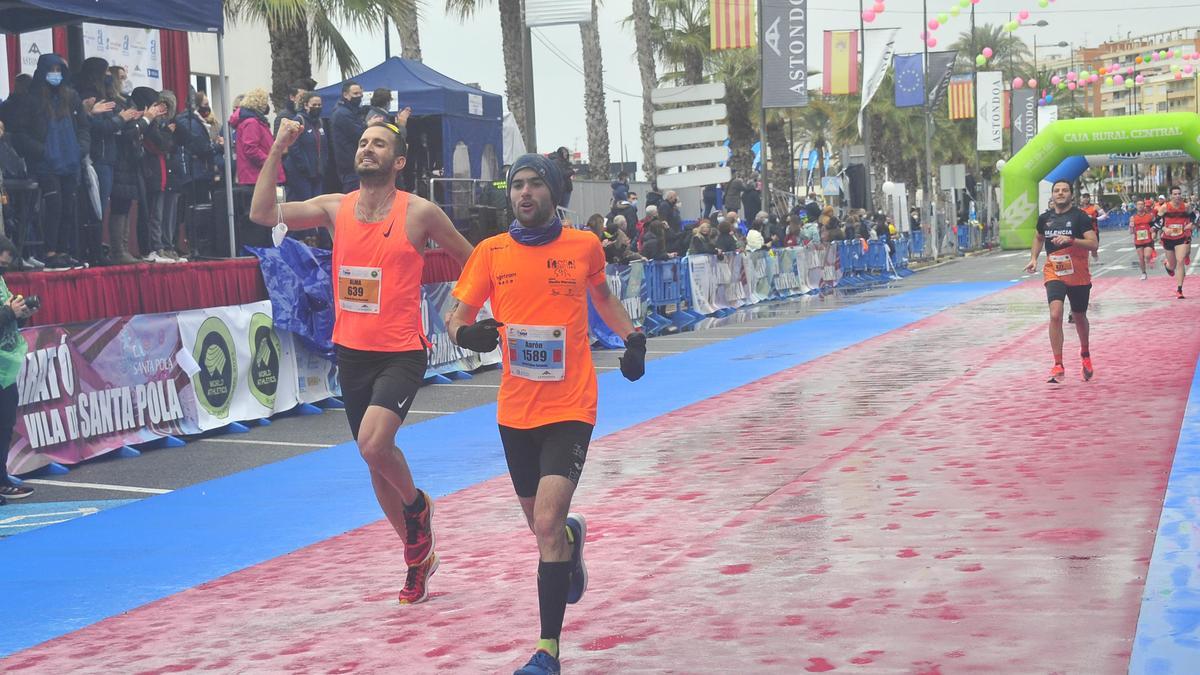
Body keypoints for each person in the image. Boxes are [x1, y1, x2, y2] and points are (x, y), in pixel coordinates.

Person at [249, 117, 474, 604]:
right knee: (376, 466)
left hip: (401, 351)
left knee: (374, 445)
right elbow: (263, 212)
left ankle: (417, 509)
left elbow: (470, 259)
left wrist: (461, 312)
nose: (368, 149)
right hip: (352, 352)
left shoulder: (420, 213)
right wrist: (277, 151)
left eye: (379, 144)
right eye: (363, 142)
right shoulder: (336, 208)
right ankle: (418, 559)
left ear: (398, 162)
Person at [446, 153, 645, 675]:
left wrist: (633, 337)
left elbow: (603, 297)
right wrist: (466, 333)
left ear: (554, 194)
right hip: (515, 410)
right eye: (517, 185)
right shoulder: (490, 252)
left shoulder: (582, 246)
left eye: (536, 184)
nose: (525, 193)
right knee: (545, 531)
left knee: (546, 522)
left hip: (571, 403)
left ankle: (547, 650)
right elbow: (456, 317)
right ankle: (571, 543)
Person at [2, 53, 90, 270]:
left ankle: (63, 250)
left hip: (70, 162)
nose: (56, 75)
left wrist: (79, 150)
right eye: (52, 70)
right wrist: (43, 152)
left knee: (69, 207)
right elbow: (20, 134)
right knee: (54, 206)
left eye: (59, 71)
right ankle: (50, 252)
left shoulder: (71, 97)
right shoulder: (31, 100)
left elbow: (84, 128)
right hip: (45, 164)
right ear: (43, 72)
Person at [1024, 179, 1098, 383]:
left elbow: (1093, 244)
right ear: (1052, 195)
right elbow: (1039, 237)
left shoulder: (1080, 217)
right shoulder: (1044, 218)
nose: (1060, 193)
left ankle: (1085, 353)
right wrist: (1033, 258)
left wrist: (1071, 240)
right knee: (1055, 314)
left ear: (1071, 194)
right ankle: (1058, 364)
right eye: (1057, 190)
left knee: (1079, 315)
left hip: (1078, 272)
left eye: (1065, 190)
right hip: (1054, 271)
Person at [0, 235, 35, 504]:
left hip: (5, 367)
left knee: (4, 426)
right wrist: (8, 312)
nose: (4, 270)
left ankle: (1, 479)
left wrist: (21, 313)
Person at [1157, 186, 1200, 299]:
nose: (1177, 196)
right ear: (1170, 195)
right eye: (1175, 194)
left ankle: (1179, 289)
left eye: (1179, 194)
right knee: (1172, 265)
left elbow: (1195, 217)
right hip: (1168, 238)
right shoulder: (1165, 207)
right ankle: (1167, 265)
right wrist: (1164, 229)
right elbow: (1156, 222)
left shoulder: (1185, 207)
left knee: (1180, 261)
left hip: (1181, 237)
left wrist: (1192, 224)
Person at [331, 81, 367, 192]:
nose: (359, 97)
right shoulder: (342, 113)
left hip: (355, 163)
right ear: (346, 95)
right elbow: (359, 135)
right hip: (349, 164)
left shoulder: (353, 111)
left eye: (360, 94)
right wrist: (368, 125)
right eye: (355, 94)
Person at [1130, 199, 1156, 280]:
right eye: (1138, 204)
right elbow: (1131, 231)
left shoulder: (1149, 216)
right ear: (1136, 206)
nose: (1140, 206)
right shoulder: (1133, 218)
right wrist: (1131, 227)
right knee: (1141, 257)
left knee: (1147, 256)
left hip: (1148, 239)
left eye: (1142, 204)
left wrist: (1153, 231)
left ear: (1144, 206)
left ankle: (1149, 259)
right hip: (1138, 240)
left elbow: (1155, 225)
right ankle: (1144, 273)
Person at [1079, 192, 1104, 262]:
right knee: (1084, 249)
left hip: (1094, 231)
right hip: (1083, 231)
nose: (1086, 199)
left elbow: (1104, 216)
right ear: (1081, 199)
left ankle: (1096, 260)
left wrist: (1094, 219)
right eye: (1084, 197)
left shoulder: (1095, 207)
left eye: (1087, 197)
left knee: (1094, 249)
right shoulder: (1079, 209)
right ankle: (1086, 263)